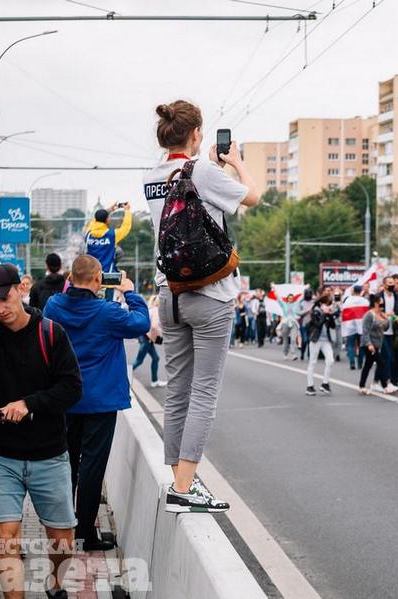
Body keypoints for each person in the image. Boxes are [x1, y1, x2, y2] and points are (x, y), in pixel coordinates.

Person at [144, 99, 260, 512]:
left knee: (177, 391)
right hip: (210, 296)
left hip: (170, 295)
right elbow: (252, 197)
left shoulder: (152, 177)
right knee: (205, 391)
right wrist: (236, 163)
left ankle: (177, 478)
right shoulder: (205, 171)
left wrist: (215, 170)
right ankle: (185, 488)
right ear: (196, 134)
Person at [0, 264, 82, 598]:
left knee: (62, 540)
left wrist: (29, 404)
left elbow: (72, 388)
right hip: (0, 455)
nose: (0, 309)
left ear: (21, 288)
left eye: (5, 298)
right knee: (7, 538)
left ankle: (57, 585)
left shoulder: (51, 333)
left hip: (50, 453)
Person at [43, 256, 150, 551]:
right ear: (98, 281)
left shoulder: (54, 306)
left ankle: (61, 527)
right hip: (100, 402)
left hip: (64, 398)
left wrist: (81, 279)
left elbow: (66, 294)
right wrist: (128, 290)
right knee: (92, 466)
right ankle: (85, 533)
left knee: (65, 465)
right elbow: (142, 322)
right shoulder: (108, 313)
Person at [377, 274, 398, 392]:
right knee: (387, 357)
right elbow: (375, 312)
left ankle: (394, 381)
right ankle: (385, 382)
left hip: (397, 332)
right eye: (396, 283)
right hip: (382, 331)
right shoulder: (379, 296)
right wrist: (392, 316)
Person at [305, 289, 337, 396]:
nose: (329, 306)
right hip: (316, 339)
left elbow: (332, 326)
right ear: (321, 304)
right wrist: (324, 314)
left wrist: (331, 315)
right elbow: (318, 324)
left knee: (330, 360)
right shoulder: (314, 311)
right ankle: (309, 386)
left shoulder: (326, 312)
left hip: (325, 340)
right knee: (313, 362)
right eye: (327, 304)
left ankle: (325, 383)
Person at [85, 202, 132, 275]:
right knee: (118, 251)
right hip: (107, 275)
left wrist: (109, 210)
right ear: (107, 220)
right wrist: (127, 211)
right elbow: (126, 227)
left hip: (91, 274)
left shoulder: (88, 234)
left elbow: (95, 220)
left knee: (117, 250)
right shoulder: (112, 235)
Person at [132, 295, 166, 387]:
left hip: (145, 337)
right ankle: (123, 375)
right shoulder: (156, 311)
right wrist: (158, 337)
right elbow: (154, 326)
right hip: (147, 338)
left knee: (155, 358)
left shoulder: (150, 309)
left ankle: (154, 381)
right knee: (139, 360)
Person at [359, 296, 389, 395]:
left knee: (368, 365)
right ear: (375, 304)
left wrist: (386, 319)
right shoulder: (369, 315)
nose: (382, 305)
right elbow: (365, 331)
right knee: (381, 363)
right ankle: (384, 386)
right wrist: (369, 344)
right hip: (369, 344)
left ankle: (362, 386)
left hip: (377, 344)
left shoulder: (381, 314)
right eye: (381, 303)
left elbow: (385, 328)